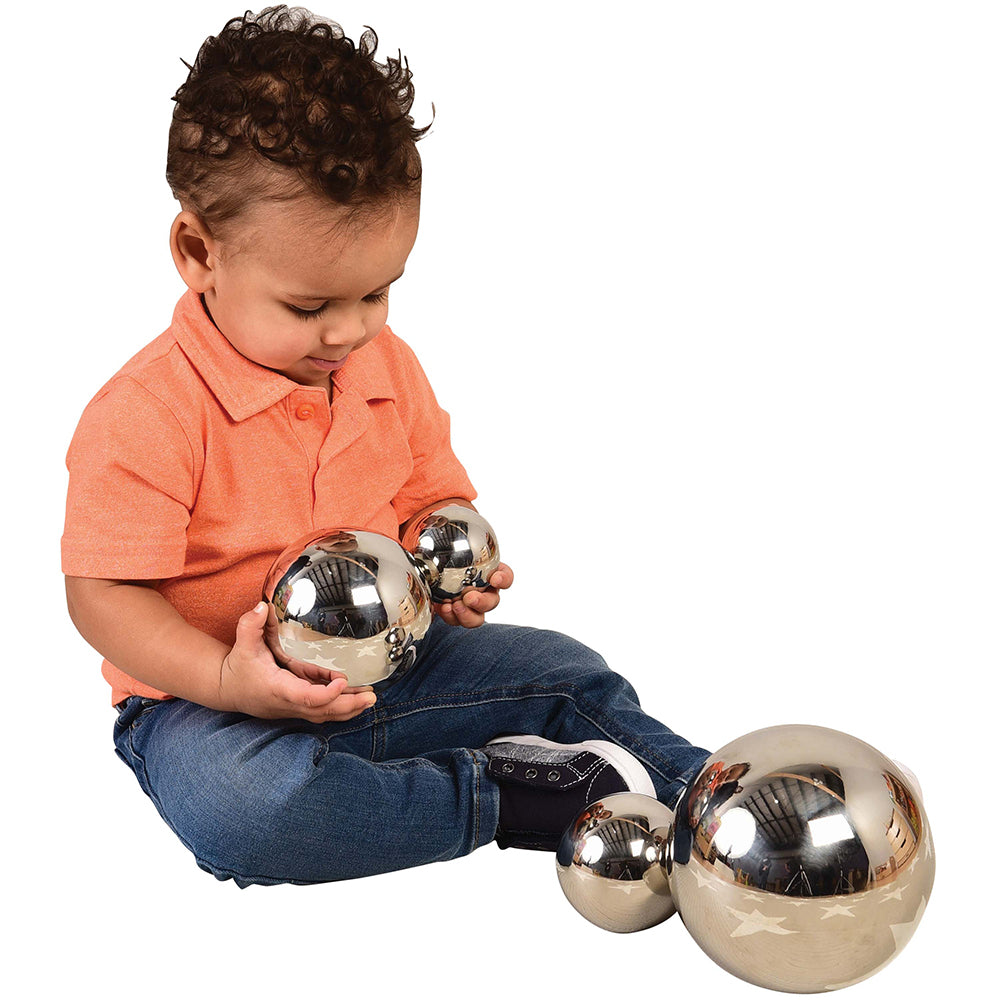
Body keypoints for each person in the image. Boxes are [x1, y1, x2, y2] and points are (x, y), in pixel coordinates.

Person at [62, 5, 710, 888]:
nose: (349, 330)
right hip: (207, 710)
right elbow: (104, 595)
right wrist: (228, 676)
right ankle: (506, 796)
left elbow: (427, 500)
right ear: (197, 251)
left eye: (379, 292)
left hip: (394, 670)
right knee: (253, 812)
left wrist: (456, 562)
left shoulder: (383, 366)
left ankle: (708, 799)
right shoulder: (145, 412)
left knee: (568, 671)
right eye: (309, 306)